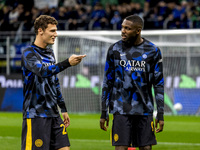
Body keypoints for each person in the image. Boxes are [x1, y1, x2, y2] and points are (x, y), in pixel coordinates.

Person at [21, 15, 86, 150]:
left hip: (53, 114)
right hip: (36, 114)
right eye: (52, 31)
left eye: (55, 31)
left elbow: (54, 82)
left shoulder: (50, 53)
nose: (55, 34)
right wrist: (67, 63)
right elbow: (42, 72)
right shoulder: (28, 53)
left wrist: (62, 108)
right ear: (40, 31)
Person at [100, 15, 164, 150]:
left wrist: (160, 113)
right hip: (120, 109)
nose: (123, 31)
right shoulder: (114, 50)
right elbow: (107, 82)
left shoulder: (153, 51)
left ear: (138, 30)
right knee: (121, 148)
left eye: (127, 28)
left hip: (144, 110)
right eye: (122, 27)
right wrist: (104, 111)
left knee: (146, 148)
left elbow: (158, 83)